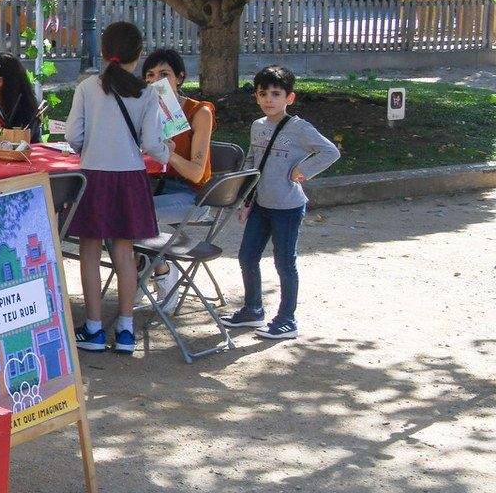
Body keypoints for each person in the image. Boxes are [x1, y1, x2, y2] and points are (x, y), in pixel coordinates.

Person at [65, 21, 171, 355]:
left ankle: (94, 328)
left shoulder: (87, 87)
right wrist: (170, 155)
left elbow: (72, 136)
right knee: (125, 253)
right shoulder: (147, 92)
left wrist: (91, 146)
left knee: (90, 253)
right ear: (138, 55)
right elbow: (152, 142)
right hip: (129, 177)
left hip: (93, 177)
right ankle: (126, 329)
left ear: (103, 50)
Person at [230, 65, 341, 341]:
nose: (269, 99)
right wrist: (246, 197)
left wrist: (303, 170)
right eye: (263, 93)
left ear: (289, 98)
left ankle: (286, 319)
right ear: (256, 97)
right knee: (247, 256)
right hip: (261, 205)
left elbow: (330, 151)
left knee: (284, 262)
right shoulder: (257, 126)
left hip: (288, 208)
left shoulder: (299, 128)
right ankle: (253, 308)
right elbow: (254, 163)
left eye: (276, 94)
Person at [142, 48, 215, 222]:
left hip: (191, 194)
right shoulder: (146, 109)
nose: (156, 81)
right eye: (150, 75)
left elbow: (196, 174)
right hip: (154, 184)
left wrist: (168, 153)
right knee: (112, 206)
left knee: (132, 214)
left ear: (180, 77)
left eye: (164, 74)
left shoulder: (199, 112)